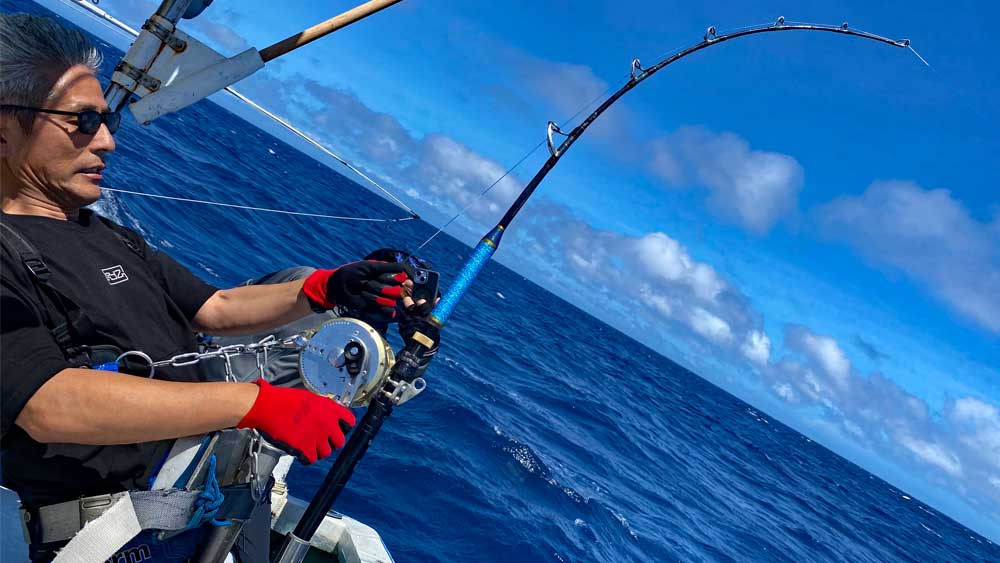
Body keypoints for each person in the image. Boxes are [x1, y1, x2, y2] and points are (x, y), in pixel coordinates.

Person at [0, 12, 416, 562]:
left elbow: (215, 307)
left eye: (106, 121)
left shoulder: (109, 235)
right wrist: (257, 404)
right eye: (81, 121)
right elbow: (48, 404)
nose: (107, 142)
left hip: (197, 509)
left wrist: (326, 287)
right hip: (107, 542)